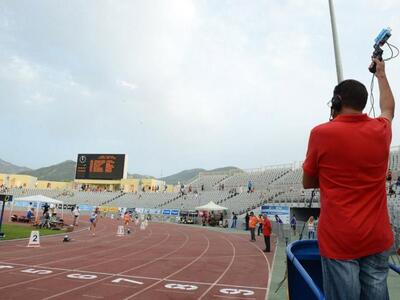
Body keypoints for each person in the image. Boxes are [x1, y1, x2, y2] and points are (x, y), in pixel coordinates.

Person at [302, 59, 394, 300]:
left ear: (337, 101)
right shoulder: (381, 130)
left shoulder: (321, 133)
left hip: (340, 239)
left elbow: (308, 181)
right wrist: (381, 75)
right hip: (376, 235)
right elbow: (388, 109)